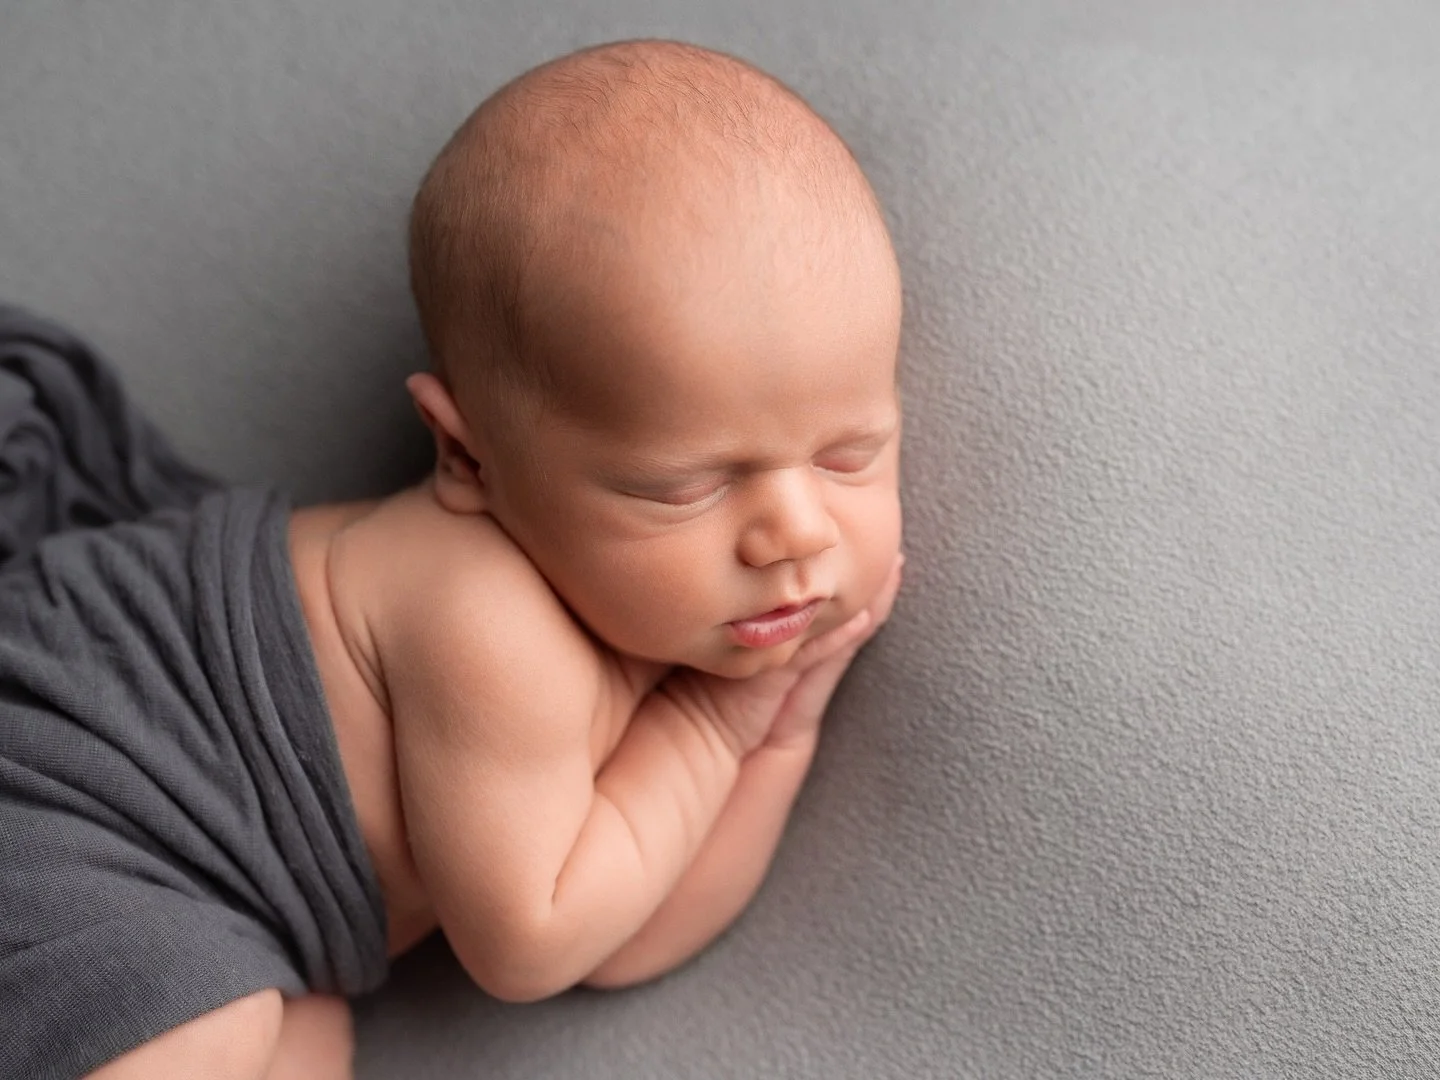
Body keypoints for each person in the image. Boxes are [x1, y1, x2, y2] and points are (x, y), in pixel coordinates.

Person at [0, 38, 904, 1080]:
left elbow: (615, 941)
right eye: (683, 487)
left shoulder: (643, 610)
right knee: (210, 1028)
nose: (796, 532)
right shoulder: (485, 613)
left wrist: (779, 737)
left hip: (209, 906)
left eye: (850, 454)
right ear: (470, 456)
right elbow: (534, 942)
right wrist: (712, 730)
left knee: (306, 1041)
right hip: (53, 796)